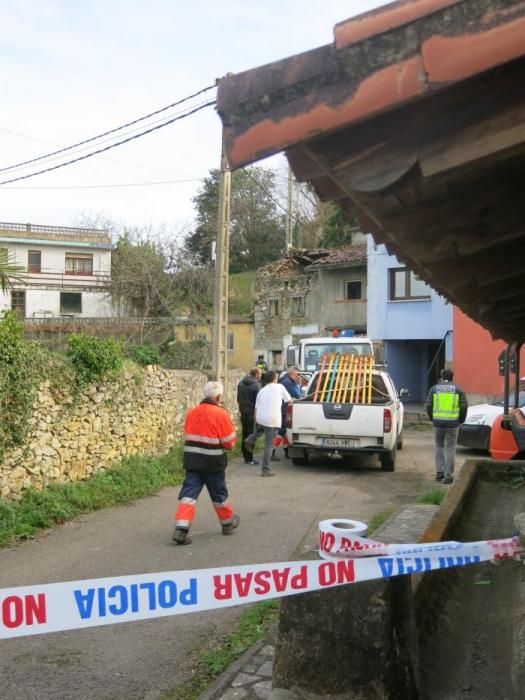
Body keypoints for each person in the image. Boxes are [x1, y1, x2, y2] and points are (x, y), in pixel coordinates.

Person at [172, 381, 239, 545]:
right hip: (213, 462)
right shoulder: (221, 413)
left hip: (193, 461)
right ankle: (227, 523)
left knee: (188, 495)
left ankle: (181, 529)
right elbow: (229, 443)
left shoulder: (192, 412)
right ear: (218, 396)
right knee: (219, 494)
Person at [245, 370, 292, 476]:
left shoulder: (262, 390)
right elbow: (289, 400)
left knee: (262, 428)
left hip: (261, 418)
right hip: (272, 419)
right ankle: (265, 469)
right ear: (275, 378)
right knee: (269, 445)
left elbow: (256, 408)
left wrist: (257, 420)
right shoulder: (280, 387)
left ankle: (250, 439)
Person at [426, 369, 468, 485]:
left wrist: (432, 418)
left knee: (439, 446)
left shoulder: (434, 389)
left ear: (441, 376)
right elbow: (464, 406)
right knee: (450, 448)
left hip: (438, 423)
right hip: (453, 423)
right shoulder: (458, 390)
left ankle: (439, 473)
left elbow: (428, 406)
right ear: (452, 377)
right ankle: (448, 476)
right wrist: (461, 420)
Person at [237, 367, 262, 465]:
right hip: (252, 413)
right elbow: (259, 402)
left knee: (244, 434)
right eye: (259, 375)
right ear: (256, 375)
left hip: (243, 412)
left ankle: (245, 456)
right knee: (251, 435)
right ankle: (250, 458)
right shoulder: (257, 385)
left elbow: (238, 398)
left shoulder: (241, 383)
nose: (260, 377)